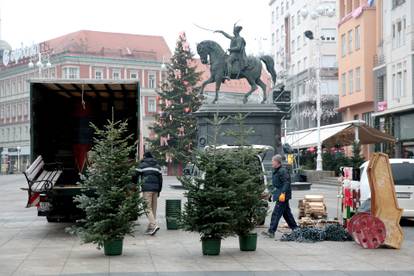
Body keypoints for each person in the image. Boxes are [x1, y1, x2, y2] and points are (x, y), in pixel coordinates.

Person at [262, 154, 297, 239]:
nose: (272, 163)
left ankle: (271, 232)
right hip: (280, 194)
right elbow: (276, 185)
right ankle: (296, 229)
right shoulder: (277, 170)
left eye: (273, 161)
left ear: (277, 162)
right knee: (287, 214)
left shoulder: (282, 171)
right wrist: (271, 194)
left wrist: (283, 193)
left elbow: (286, 183)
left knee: (276, 213)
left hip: (283, 196)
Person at [135, 151, 163, 235]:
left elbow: (134, 175)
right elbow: (160, 180)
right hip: (156, 190)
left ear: (144, 157)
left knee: (147, 208)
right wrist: (159, 191)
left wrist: (134, 185)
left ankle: (154, 225)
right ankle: (151, 228)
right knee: (153, 208)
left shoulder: (142, 165)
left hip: (147, 189)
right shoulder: (157, 166)